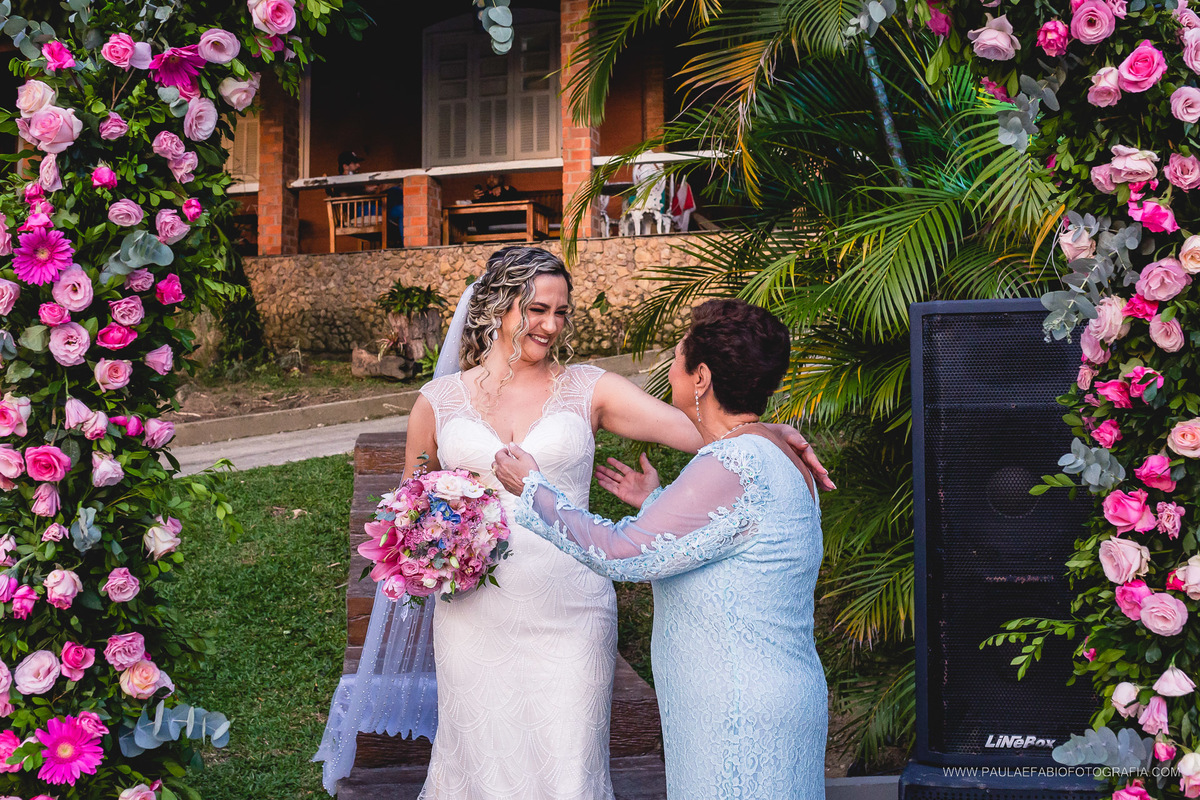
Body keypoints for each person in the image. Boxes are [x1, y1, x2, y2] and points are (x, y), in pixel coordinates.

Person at [313, 246, 832, 798]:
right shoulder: (437, 401)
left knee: (567, 771)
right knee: (478, 764)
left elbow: (704, 428)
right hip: (474, 614)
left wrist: (767, 432)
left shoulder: (590, 388)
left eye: (561, 312)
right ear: (497, 305)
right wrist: (428, 547)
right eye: (537, 310)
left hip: (571, 612)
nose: (551, 325)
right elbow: (409, 502)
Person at [494, 298, 827, 799]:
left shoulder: (731, 462)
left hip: (738, 708)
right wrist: (656, 501)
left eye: (676, 359)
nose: (668, 369)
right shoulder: (768, 448)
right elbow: (730, 545)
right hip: (765, 695)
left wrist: (535, 488)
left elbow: (619, 553)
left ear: (701, 378)